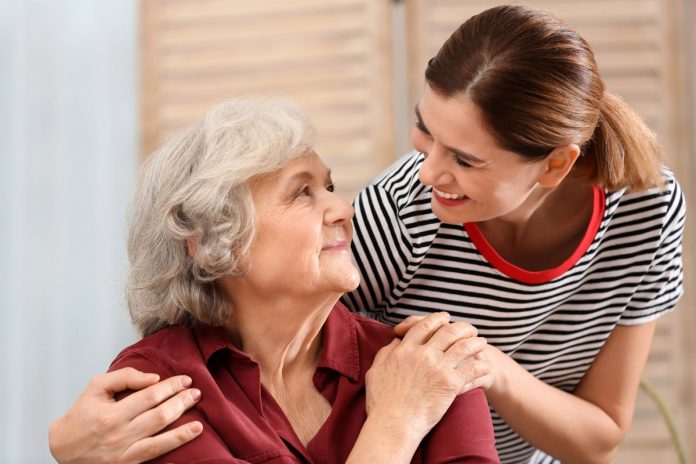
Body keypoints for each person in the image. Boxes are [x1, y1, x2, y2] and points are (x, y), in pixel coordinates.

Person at [49, 4, 686, 464]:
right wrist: (64, 447)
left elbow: (601, 429)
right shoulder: (174, 389)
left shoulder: (432, 369)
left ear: (555, 165)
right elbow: (246, 323)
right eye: (423, 132)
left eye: (464, 160)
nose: (428, 172)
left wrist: (470, 373)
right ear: (216, 238)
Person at [50, 95, 498, 464]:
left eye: (328, 186)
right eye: (302, 193)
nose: (344, 209)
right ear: (212, 241)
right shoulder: (158, 389)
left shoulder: (430, 365)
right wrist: (397, 421)